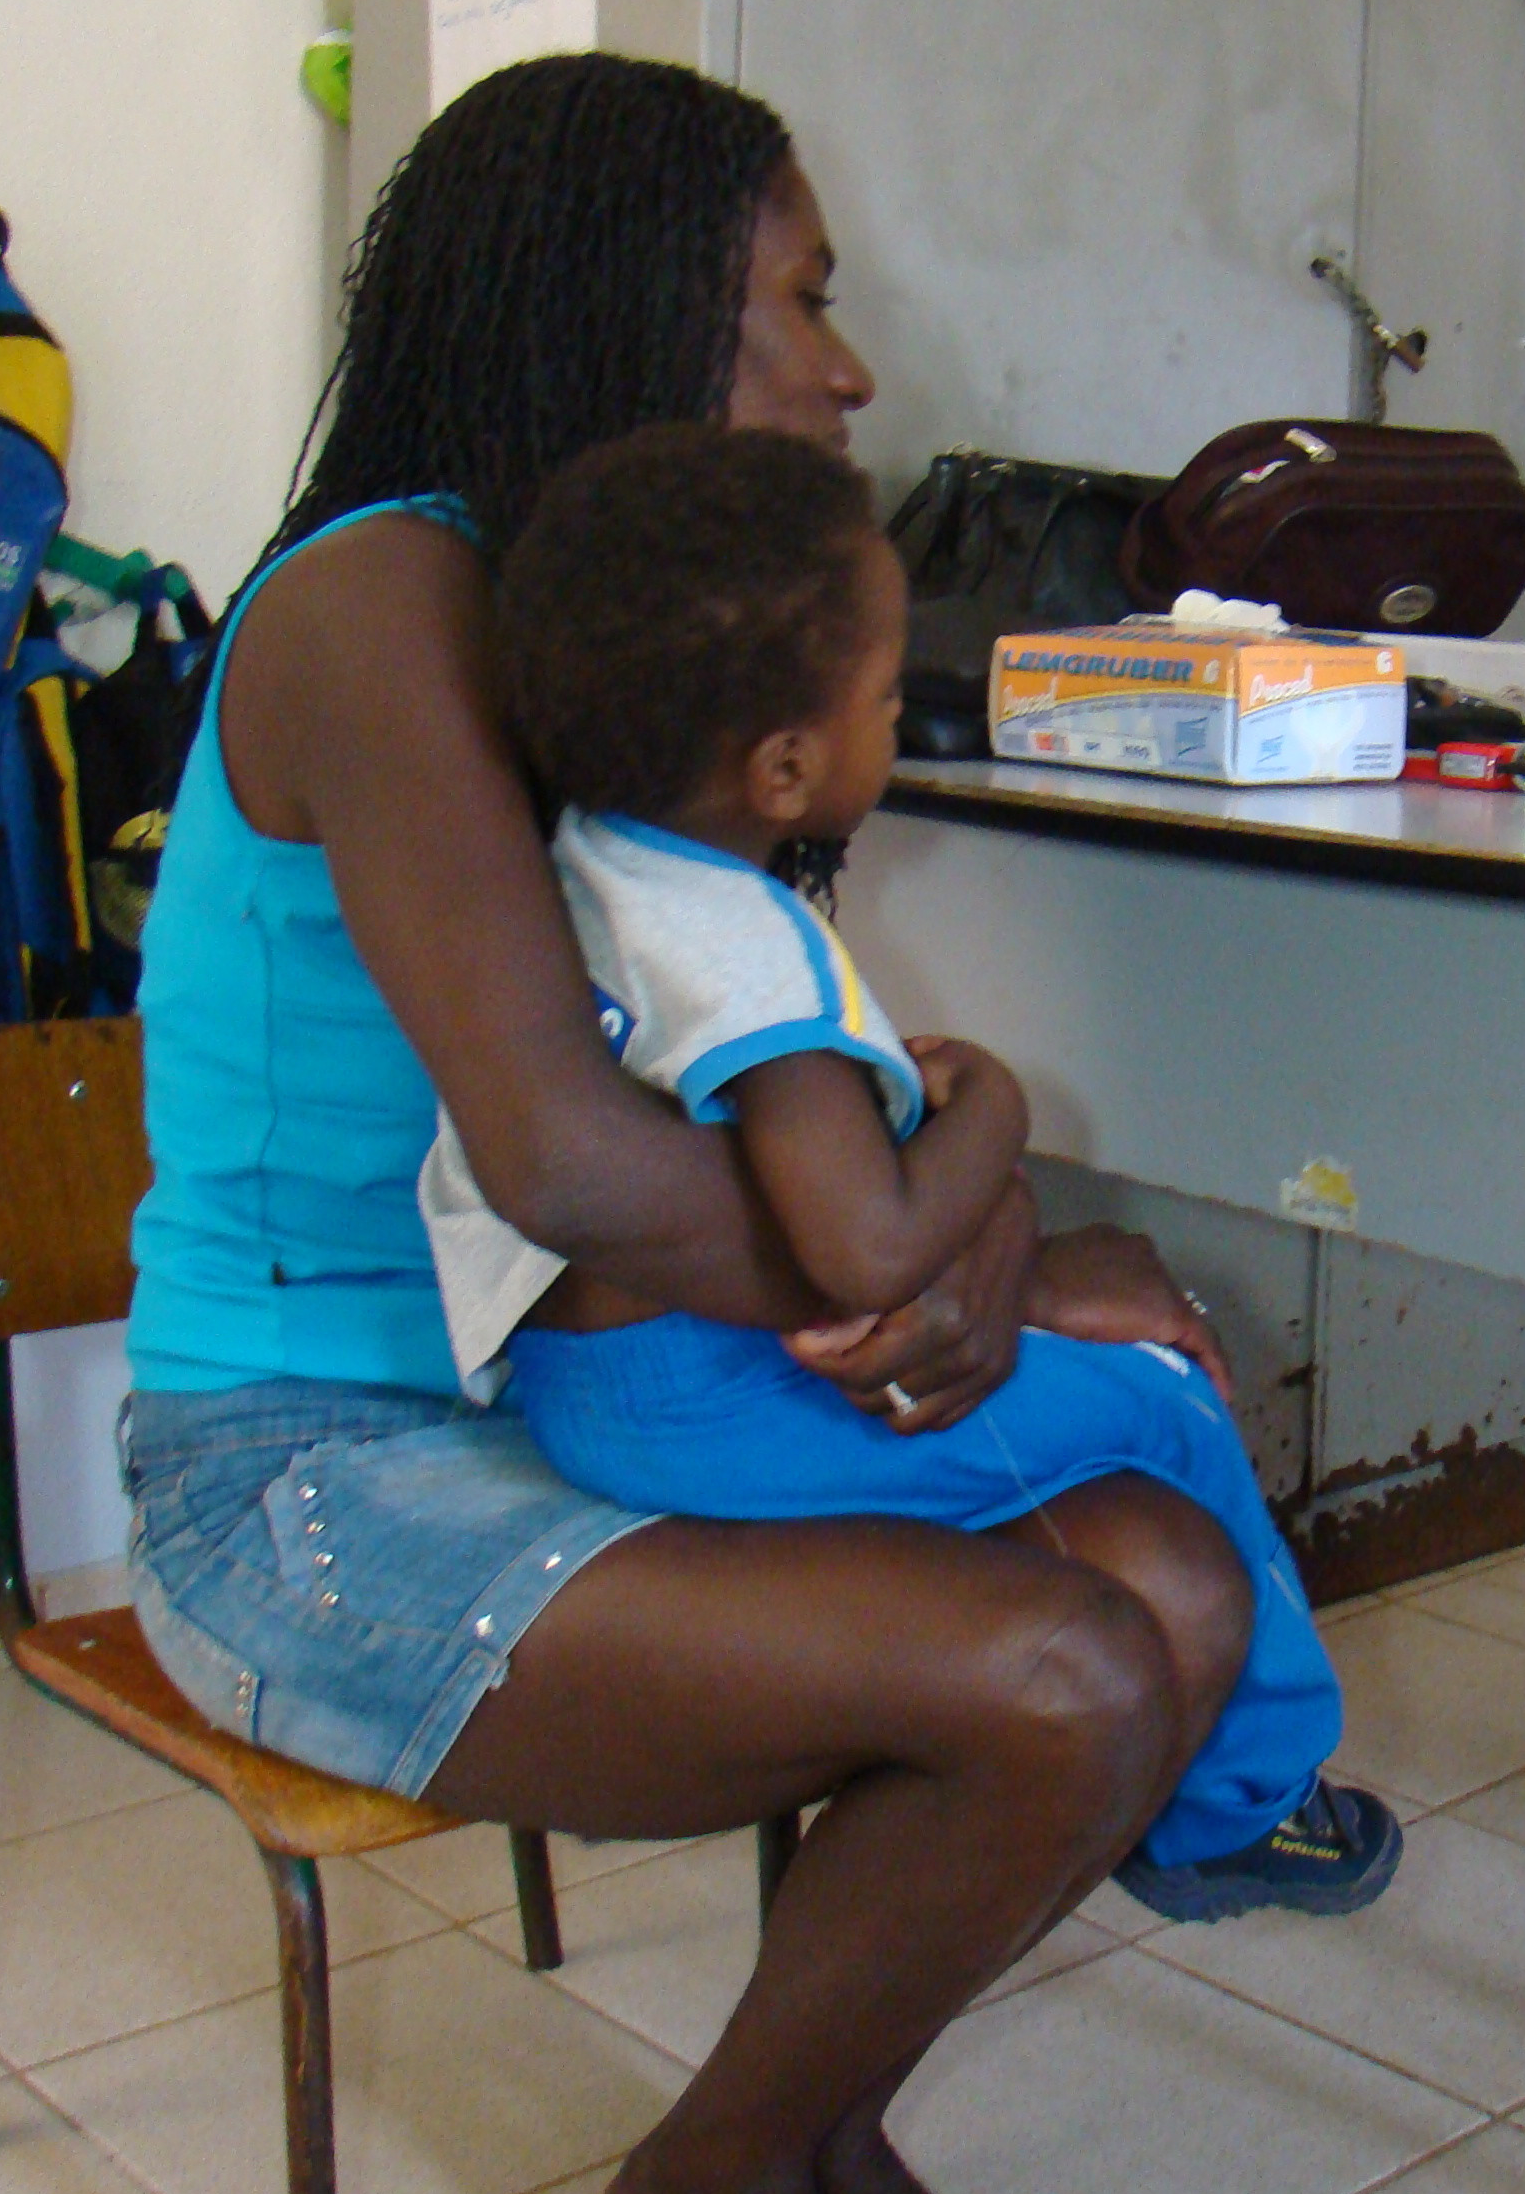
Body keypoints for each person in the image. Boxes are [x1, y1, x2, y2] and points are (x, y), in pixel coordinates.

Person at [122, 53, 1338, 2194]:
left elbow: (801, 1090)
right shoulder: (386, 605)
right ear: (631, 309)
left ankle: (808, 2134)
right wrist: (940, 1263)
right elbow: (579, 1162)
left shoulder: (613, 645)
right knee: (1058, 1672)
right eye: (796, 296)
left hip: (587, 1394)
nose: (846, 364)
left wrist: (974, 1239)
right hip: (311, 1469)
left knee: (1172, 1583)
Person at [414, 418, 1394, 1918]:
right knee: (1172, 1402)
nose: (894, 722)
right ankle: (1243, 1808)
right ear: (789, 762)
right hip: (710, 1414)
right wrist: (995, 1110)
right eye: (883, 697)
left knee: (1096, 1416)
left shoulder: (579, 869)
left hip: (569, 1391)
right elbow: (866, 1254)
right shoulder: (755, 962)